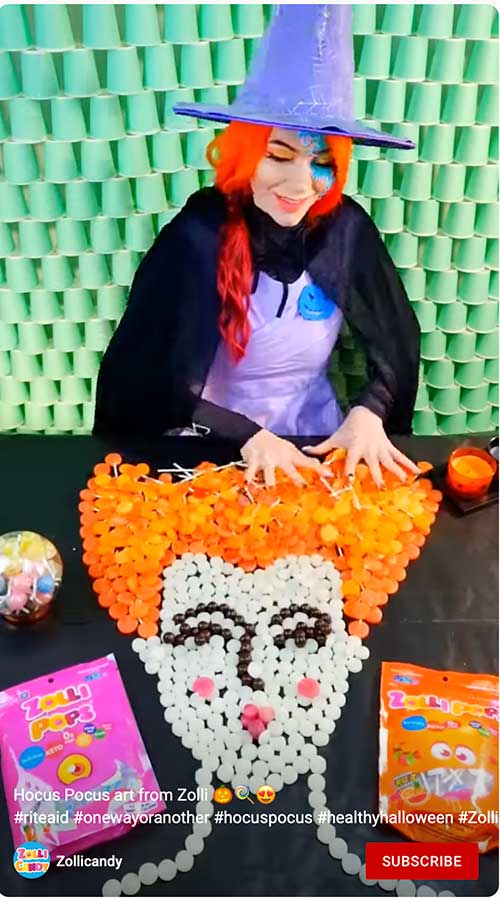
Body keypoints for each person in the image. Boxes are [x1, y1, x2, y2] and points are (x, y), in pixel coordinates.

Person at [94, 4, 421, 488]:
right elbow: (149, 378)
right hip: (212, 444)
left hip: (315, 437)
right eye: (278, 155)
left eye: (322, 163)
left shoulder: (346, 227)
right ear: (246, 153)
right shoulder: (198, 234)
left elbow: (397, 342)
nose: (302, 184)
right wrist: (246, 435)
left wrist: (371, 411)